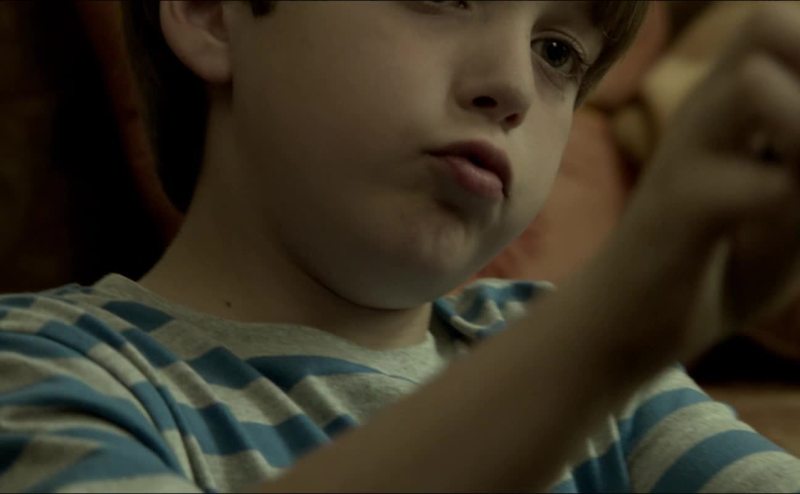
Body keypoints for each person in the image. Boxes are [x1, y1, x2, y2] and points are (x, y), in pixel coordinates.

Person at [2, 1, 800, 491]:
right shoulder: (39, 365)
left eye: (557, 52)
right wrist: (605, 331)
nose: (513, 87)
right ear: (213, 11)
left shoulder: (613, 385)